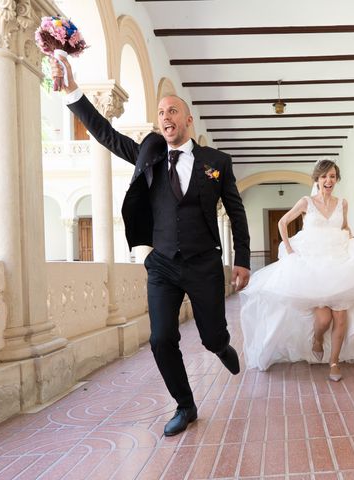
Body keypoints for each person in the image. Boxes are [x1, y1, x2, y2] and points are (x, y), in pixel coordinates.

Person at [53, 57, 250, 436]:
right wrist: (71, 90)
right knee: (161, 338)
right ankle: (185, 405)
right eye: (161, 112)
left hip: (205, 262)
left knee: (212, 337)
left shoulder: (216, 162)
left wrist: (242, 259)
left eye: (172, 110)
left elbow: (237, 212)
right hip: (162, 264)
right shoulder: (151, 157)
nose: (165, 117)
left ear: (187, 120)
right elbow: (107, 135)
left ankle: (222, 345)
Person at [240, 159, 354, 380]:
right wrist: (289, 249)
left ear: (336, 180)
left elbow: (344, 226)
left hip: (339, 264)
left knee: (341, 317)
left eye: (333, 176)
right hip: (313, 267)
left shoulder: (342, 203)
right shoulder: (306, 202)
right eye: (325, 176)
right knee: (324, 319)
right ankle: (317, 339)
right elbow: (283, 222)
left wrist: (353, 245)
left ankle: (334, 362)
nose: (329, 180)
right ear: (317, 179)